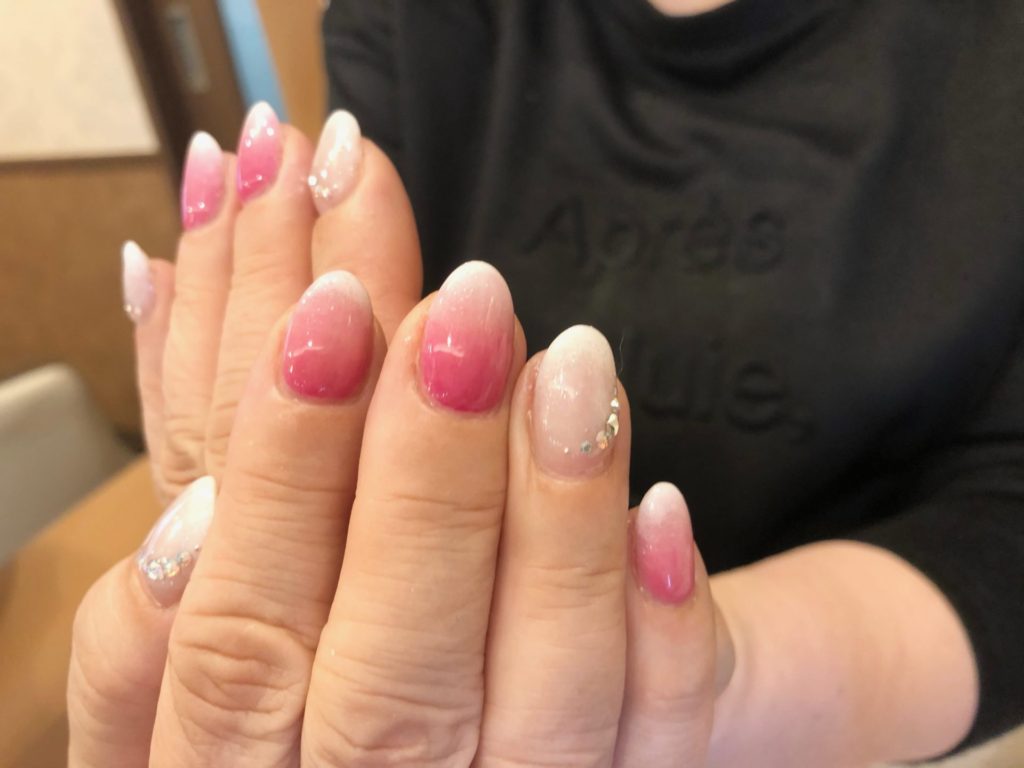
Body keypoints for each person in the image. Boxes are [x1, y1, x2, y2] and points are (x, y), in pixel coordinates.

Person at [67, 0, 1023, 765]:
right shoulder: (409, 20)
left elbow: (1004, 520)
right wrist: (294, 531)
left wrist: (694, 675)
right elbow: (375, 345)